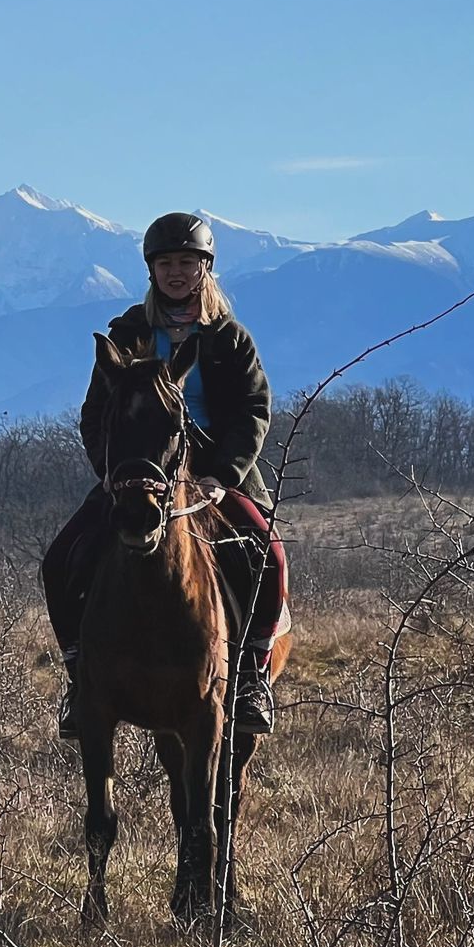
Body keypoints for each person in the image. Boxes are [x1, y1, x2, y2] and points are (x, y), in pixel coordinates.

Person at [41, 212, 288, 739]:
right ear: (152, 270)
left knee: (267, 555)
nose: (176, 272)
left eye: (187, 262)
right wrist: (110, 472)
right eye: (166, 263)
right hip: (138, 473)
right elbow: (95, 413)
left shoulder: (229, 338)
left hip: (214, 475)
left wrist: (224, 474)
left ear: (206, 268)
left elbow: (253, 409)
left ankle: (249, 677)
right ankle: (79, 678)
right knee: (62, 558)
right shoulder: (128, 332)